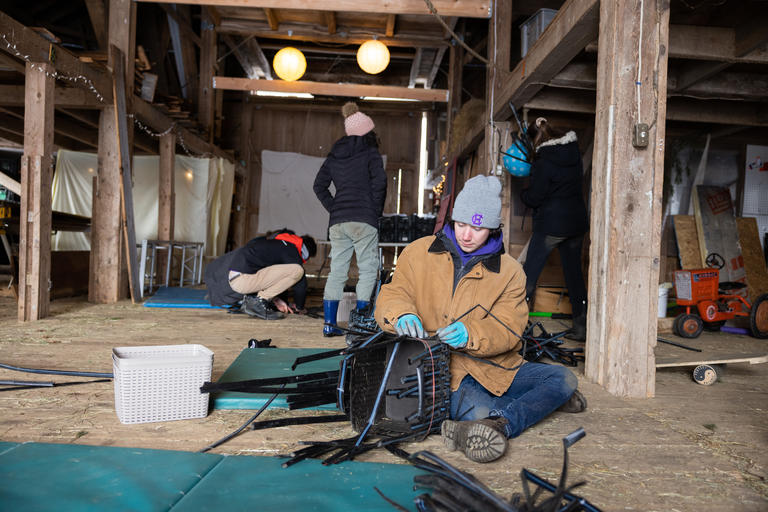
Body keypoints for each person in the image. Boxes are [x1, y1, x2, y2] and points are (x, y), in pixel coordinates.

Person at [374, 175, 586, 464]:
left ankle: (502, 422)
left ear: (493, 228)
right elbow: (393, 293)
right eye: (461, 224)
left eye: (477, 227)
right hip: (440, 371)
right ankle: (526, 409)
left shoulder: (510, 271)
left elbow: (511, 328)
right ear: (452, 220)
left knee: (563, 378)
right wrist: (401, 313)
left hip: (494, 366)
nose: (466, 235)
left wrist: (470, 333)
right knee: (479, 412)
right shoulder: (418, 252)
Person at [313, 102, 387, 336]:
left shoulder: (335, 154)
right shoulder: (370, 152)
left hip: (338, 222)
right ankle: (361, 325)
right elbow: (380, 183)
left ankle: (329, 325)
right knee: (367, 270)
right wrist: (373, 211)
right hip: (364, 219)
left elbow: (319, 186)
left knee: (337, 271)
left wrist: (335, 208)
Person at [521, 117, 589, 341]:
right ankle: (581, 328)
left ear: (536, 139)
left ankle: (517, 328)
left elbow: (535, 197)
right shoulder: (574, 154)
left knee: (529, 275)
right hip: (576, 223)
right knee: (574, 276)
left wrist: (525, 193)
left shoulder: (544, 161)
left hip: (551, 224)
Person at [204, 233, 317, 320]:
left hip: (234, 280)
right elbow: (301, 285)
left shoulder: (274, 245)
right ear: (306, 253)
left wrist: (279, 300)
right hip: (242, 281)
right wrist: (300, 307)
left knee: (290, 270)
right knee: (298, 270)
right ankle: (258, 301)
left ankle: (258, 300)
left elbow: (270, 278)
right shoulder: (292, 251)